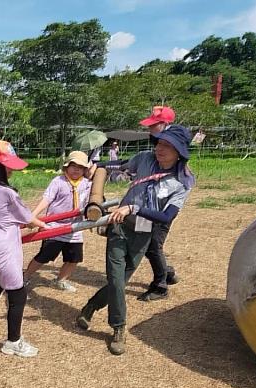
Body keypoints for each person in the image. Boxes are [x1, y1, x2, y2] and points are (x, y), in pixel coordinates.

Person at [75, 126, 195, 355]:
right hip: (119, 228)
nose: (160, 149)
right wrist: (97, 167)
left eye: (167, 146)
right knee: (117, 279)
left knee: (119, 282)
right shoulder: (144, 159)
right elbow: (117, 165)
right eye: (159, 143)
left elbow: (167, 216)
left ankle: (90, 307)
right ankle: (119, 328)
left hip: (144, 233)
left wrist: (135, 207)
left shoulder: (183, 181)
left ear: (179, 153)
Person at [0, 140, 47, 357]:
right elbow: (27, 218)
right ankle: (13, 341)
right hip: (4, 249)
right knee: (18, 294)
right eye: (9, 165)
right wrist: (42, 224)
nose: (12, 169)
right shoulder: (6, 193)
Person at [23, 151, 94, 292]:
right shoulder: (58, 181)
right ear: (66, 167)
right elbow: (47, 199)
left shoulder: (87, 184)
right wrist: (33, 215)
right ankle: (25, 277)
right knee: (44, 256)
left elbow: (91, 201)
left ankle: (60, 280)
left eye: (80, 167)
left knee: (74, 259)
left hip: (75, 228)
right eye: (73, 166)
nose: (76, 169)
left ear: (85, 170)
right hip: (54, 227)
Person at [137, 106, 180, 301]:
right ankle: (167, 272)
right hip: (148, 206)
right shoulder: (153, 152)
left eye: (154, 125)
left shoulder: (175, 151)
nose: (150, 129)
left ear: (166, 125)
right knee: (149, 245)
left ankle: (160, 285)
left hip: (162, 207)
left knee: (154, 246)